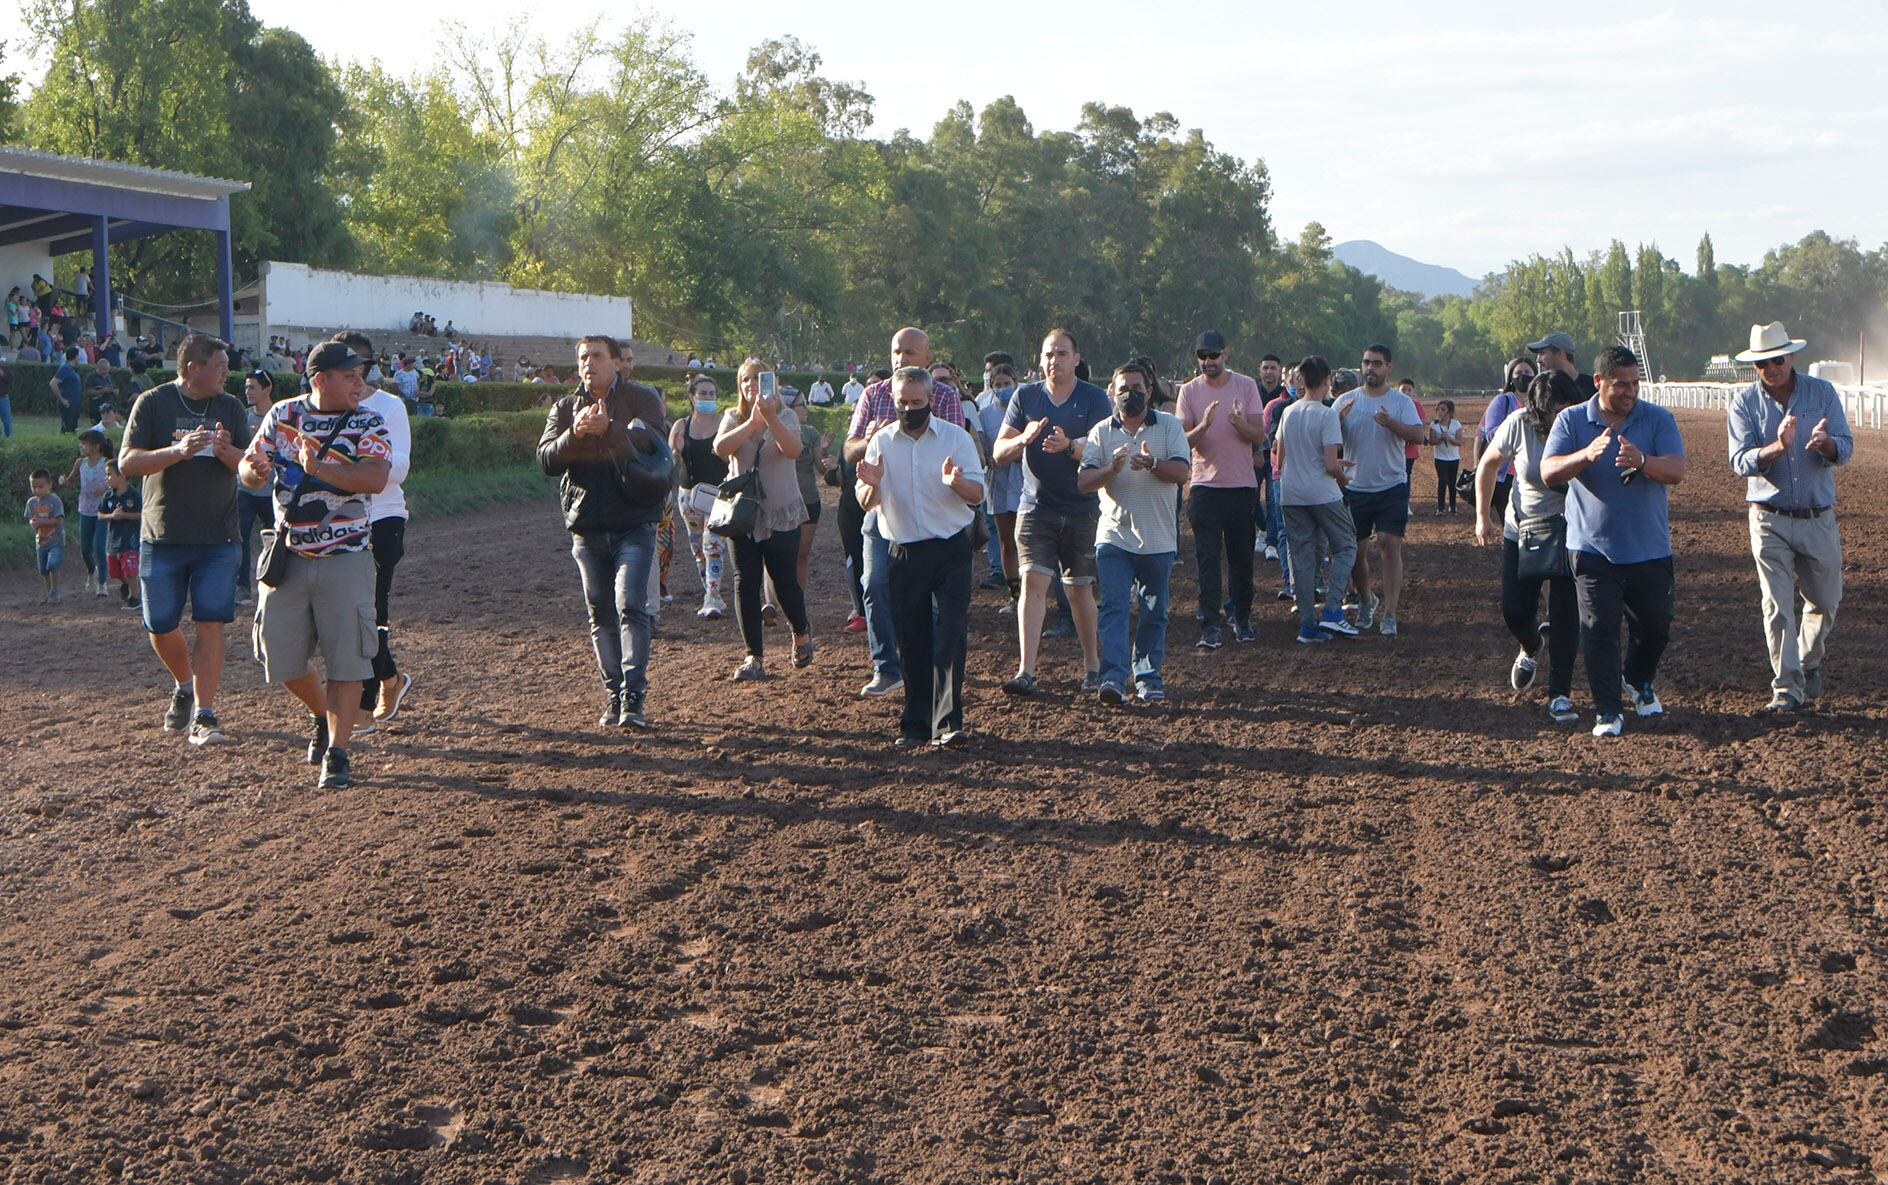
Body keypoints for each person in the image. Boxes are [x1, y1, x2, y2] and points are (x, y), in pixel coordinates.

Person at [240, 341, 392, 789]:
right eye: (350, 376)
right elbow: (248, 469)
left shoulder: (368, 419)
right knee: (279, 659)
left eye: (361, 374)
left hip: (346, 558)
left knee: (347, 661)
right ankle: (323, 716)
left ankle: (338, 753)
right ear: (320, 379)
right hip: (289, 555)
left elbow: (375, 478)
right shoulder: (283, 415)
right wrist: (256, 472)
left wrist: (320, 467)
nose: (360, 383)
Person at [1542, 345, 1686, 737]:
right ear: (1598, 381)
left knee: (1656, 628)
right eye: (1621, 384)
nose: (1630, 391)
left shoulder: (1657, 419)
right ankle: (1608, 710)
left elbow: (1676, 470)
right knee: (1599, 629)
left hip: (1649, 548)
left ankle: (1637, 679)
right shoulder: (1572, 420)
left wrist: (1643, 462)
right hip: (1591, 548)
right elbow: (1549, 471)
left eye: (1635, 384)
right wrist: (1585, 455)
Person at [119, 334, 250, 745]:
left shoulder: (230, 407)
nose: (227, 373)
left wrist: (228, 452)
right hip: (162, 536)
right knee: (160, 625)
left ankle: (205, 713)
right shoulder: (154, 402)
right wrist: (178, 451)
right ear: (193, 368)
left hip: (218, 538)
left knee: (211, 624)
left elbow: (249, 466)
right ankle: (185, 683)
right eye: (219, 366)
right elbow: (127, 462)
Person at [538, 335, 672, 729]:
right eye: (583, 357)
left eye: (596, 356)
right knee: (600, 614)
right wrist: (575, 435)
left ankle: (634, 696)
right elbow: (546, 460)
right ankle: (614, 694)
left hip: (635, 522)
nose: (588, 363)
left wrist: (610, 429)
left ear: (617, 363)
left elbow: (650, 441)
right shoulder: (565, 408)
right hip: (587, 526)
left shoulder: (643, 399)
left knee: (631, 605)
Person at [854, 367, 985, 746]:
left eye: (917, 402)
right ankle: (915, 725)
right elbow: (867, 502)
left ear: (931, 400)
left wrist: (955, 482)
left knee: (949, 635)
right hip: (903, 551)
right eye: (902, 402)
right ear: (893, 401)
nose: (909, 408)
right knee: (912, 640)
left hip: (949, 550)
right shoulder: (881, 442)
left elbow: (976, 494)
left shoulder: (955, 438)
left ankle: (947, 724)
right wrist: (873, 484)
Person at [1726, 321, 1853, 713]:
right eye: (1763, 364)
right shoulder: (1743, 403)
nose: (1771, 369)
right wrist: (1774, 449)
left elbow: (1846, 448)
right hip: (1769, 518)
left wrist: (1828, 445)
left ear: (1791, 356)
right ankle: (1786, 688)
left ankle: (1807, 660)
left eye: (1776, 360)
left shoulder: (1823, 393)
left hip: (1817, 516)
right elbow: (1739, 460)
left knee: (1826, 601)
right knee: (1776, 605)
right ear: (1755, 368)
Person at [845, 333, 967, 699]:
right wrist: (873, 441)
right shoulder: (872, 394)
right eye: (895, 350)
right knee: (874, 582)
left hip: (931, 511)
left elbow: (955, 443)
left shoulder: (944, 396)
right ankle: (886, 667)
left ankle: (929, 665)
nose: (900, 357)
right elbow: (850, 447)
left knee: (928, 597)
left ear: (928, 356)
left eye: (909, 351)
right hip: (882, 505)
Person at [993, 328, 1113, 695]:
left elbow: (1103, 454)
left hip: (1082, 508)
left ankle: (1093, 667)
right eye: (1048, 354)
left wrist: (1068, 448)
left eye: (1061, 353)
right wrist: (1022, 439)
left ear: (1076, 359)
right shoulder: (1025, 396)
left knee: (1079, 591)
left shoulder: (1094, 399)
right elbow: (998, 453)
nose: (1053, 361)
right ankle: (1026, 670)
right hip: (1035, 507)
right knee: (1032, 583)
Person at [1474, 371, 1584, 722]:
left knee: (1567, 615)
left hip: (1572, 529)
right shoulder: (1518, 424)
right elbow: (1488, 465)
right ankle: (1531, 644)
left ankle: (1560, 694)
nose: (1560, 415)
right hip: (1523, 529)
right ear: (1537, 409)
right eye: (1553, 409)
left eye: (1566, 406)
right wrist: (1482, 516)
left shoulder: (1582, 426)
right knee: (1515, 610)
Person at [1078, 361, 1189, 703]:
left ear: (1149, 391)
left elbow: (1183, 471)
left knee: (1154, 610)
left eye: (1136, 388)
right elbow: (1084, 482)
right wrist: (1111, 469)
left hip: (1158, 539)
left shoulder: (1169, 426)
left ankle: (1147, 677)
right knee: (1113, 606)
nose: (1130, 395)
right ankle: (1112, 678)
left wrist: (1153, 464)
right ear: (1112, 393)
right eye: (1123, 389)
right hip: (1114, 537)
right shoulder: (1100, 432)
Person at [716, 359, 814, 681]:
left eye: (759, 379)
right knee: (745, 583)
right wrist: (751, 425)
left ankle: (800, 633)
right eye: (745, 380)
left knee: (784, 581)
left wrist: (771, 418)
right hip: (742, 515)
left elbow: (793, 449)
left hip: (781, 512)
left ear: (773, 382)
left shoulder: (785, 416)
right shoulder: (733, 417)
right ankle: (753, 658)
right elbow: (720, 448)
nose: (751, 385)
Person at [337, 333, 416, 727]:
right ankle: (391, 677)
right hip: (336, 520)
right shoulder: (324, 409)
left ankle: (365, 704)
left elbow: (398, 468)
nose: (357, 376)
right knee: (346, 614)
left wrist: (348, 473)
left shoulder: (389, 406)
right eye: (346, 368)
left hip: (383, 516)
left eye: (361, 367)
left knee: (372, 611)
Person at [1176, 331, 1267, 648]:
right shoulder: (1188, 392)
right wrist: (1203, 425)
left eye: (1213, 355)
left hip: (1241, 486)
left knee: (1241, 558)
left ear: (1225, 353)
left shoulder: (1246, 385)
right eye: (1202, 356)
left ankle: (1241, 616)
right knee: (1207, 559)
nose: (1208, 361)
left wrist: (1236, 422)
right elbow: (1181, 441)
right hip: (1205, 488)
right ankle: (1209, 623)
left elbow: (1259, 435)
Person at [1335, 344, 1424, 636]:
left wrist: (1391, 423)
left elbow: (1418, 435)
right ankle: (1366, 600)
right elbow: (1326, 439)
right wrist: (1337, 420)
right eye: (1366, 363)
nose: (1370, 368)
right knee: (1354, 553)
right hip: (1354, 487)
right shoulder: (1345, 401)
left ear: (1389, 367)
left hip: (1391, 485)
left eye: (1376, 363)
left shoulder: (1401, 402)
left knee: (1389, 544)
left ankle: (1390, 613)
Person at [1274, 356, 1360, 643]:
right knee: (1346, 545)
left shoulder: (1288, 412)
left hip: (1291, 493)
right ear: (1326, 381)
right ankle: (1334, 611)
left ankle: (1308, 625)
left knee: (1302, 556)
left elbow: (1280, 454)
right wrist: (1343, 478)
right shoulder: (1326, 415)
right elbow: (1329, 463)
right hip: (1322, 493)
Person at [670, 374, 731, 619]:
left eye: (711, 394)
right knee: (697, 547)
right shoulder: (681, 426)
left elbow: (734, 457)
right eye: (703, 394)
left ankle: (713, 598)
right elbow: (672, 463)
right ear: (692, 397)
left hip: (719, 495)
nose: (707, 398)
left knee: (713, 545)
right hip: (689, 496)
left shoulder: (725, 423)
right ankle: (709, 591)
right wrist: (677, 451)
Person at [977, 363, 1023, 601]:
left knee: (1026, 539)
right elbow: (984, 450)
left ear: (1016, 382)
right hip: (999, 481)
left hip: (1025, 479)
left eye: (1007, 383)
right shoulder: (985, 414)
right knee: (1006, 541)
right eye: (998, 385)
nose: (1003, 388)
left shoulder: (1027, 409)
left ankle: (1032, 593)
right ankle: (1015, 594)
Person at [1474, 358, 1539, 521]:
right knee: (1512, 522)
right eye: (1518, 373)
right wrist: (1517, 434)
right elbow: (1490, 433)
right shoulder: (1502, 401)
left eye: (1527, 373)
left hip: (1533, 470)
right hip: (1507, 474)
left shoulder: (1540, 402)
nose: (1522, 376)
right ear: (1510, 377)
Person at [62, 429, 112, 596]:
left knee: (99, 546)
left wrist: (105, 488)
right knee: (85, 549)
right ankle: (92, 571)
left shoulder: (106, 463)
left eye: (84, 444)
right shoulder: (80, 463)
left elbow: (117, 481)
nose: (81, 446)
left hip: (102, 510)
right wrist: (64, 481)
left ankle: (102, 584)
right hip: (85, 510)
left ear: (96, 447)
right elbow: (71, 480)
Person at [1254, 353, 1288, 563]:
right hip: (1254, 453)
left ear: (1279, 371)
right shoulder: (1252, 394)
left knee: (1274, 499)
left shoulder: (1285, 396)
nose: (1268, 372)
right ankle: (1265, 528)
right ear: (1260, 371)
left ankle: (1271, 541)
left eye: (1272, 368)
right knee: (1250, 495)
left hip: (1276, 455)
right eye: (1265, 368)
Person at [98, 459, 143, 608]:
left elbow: (141, 514)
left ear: (122, 475)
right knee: (114, 571)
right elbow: (100, 515)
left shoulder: (134, 495)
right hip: (113, 539)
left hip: (130, 539)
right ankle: (127, 585)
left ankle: (134, 597)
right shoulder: (108, 497)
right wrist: (112, 516)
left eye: (109, 475)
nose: (106, 478)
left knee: (130, 569)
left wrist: (124, 515)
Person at [25, 470, 65, 603]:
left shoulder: (55, 500)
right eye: (34, 487)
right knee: (43, 570)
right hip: (40, 542)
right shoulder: (31, 503)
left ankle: (55, 591)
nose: (37, 490)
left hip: (56, 540)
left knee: (53, 564)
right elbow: (31, 519)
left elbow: (59, 520)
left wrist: (42, 522)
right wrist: (33, 523)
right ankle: (49, 594)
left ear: (49, 485)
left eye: (40, 487)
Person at [1429, 400, 1463, 514]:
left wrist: (1449, 438)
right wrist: (1440, 439)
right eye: (1438, 409)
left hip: (1454, 458)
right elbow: (1432, 441)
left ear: (1450, 412)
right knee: (1442, 481)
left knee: (1452, 482)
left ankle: (1453, 506)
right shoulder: (1434, 425)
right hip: (1440, 458)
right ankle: (1440, 508)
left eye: (1443, 410)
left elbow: (1459, 442)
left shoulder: (1456, 424)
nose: (1440, 412)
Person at [51, 347, 83, 433]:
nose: (79, 358)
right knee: (67, 428)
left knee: (72, 427)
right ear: (75, 356)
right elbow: (53, 383)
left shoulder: (70, 369)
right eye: (78, 356)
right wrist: (62, 399)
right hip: (68, 403)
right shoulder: (65, 368)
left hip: (74, 403)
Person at [82, 356, 118, 421]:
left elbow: (114, 387)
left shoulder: (108, 377)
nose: (106, 371)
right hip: (96, 408)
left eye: (107, 369)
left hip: (108, 407)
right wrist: (102, 391)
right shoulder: (91, 377)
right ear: (98, 368)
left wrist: (114, 391)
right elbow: (87, 391)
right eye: (104, 369)